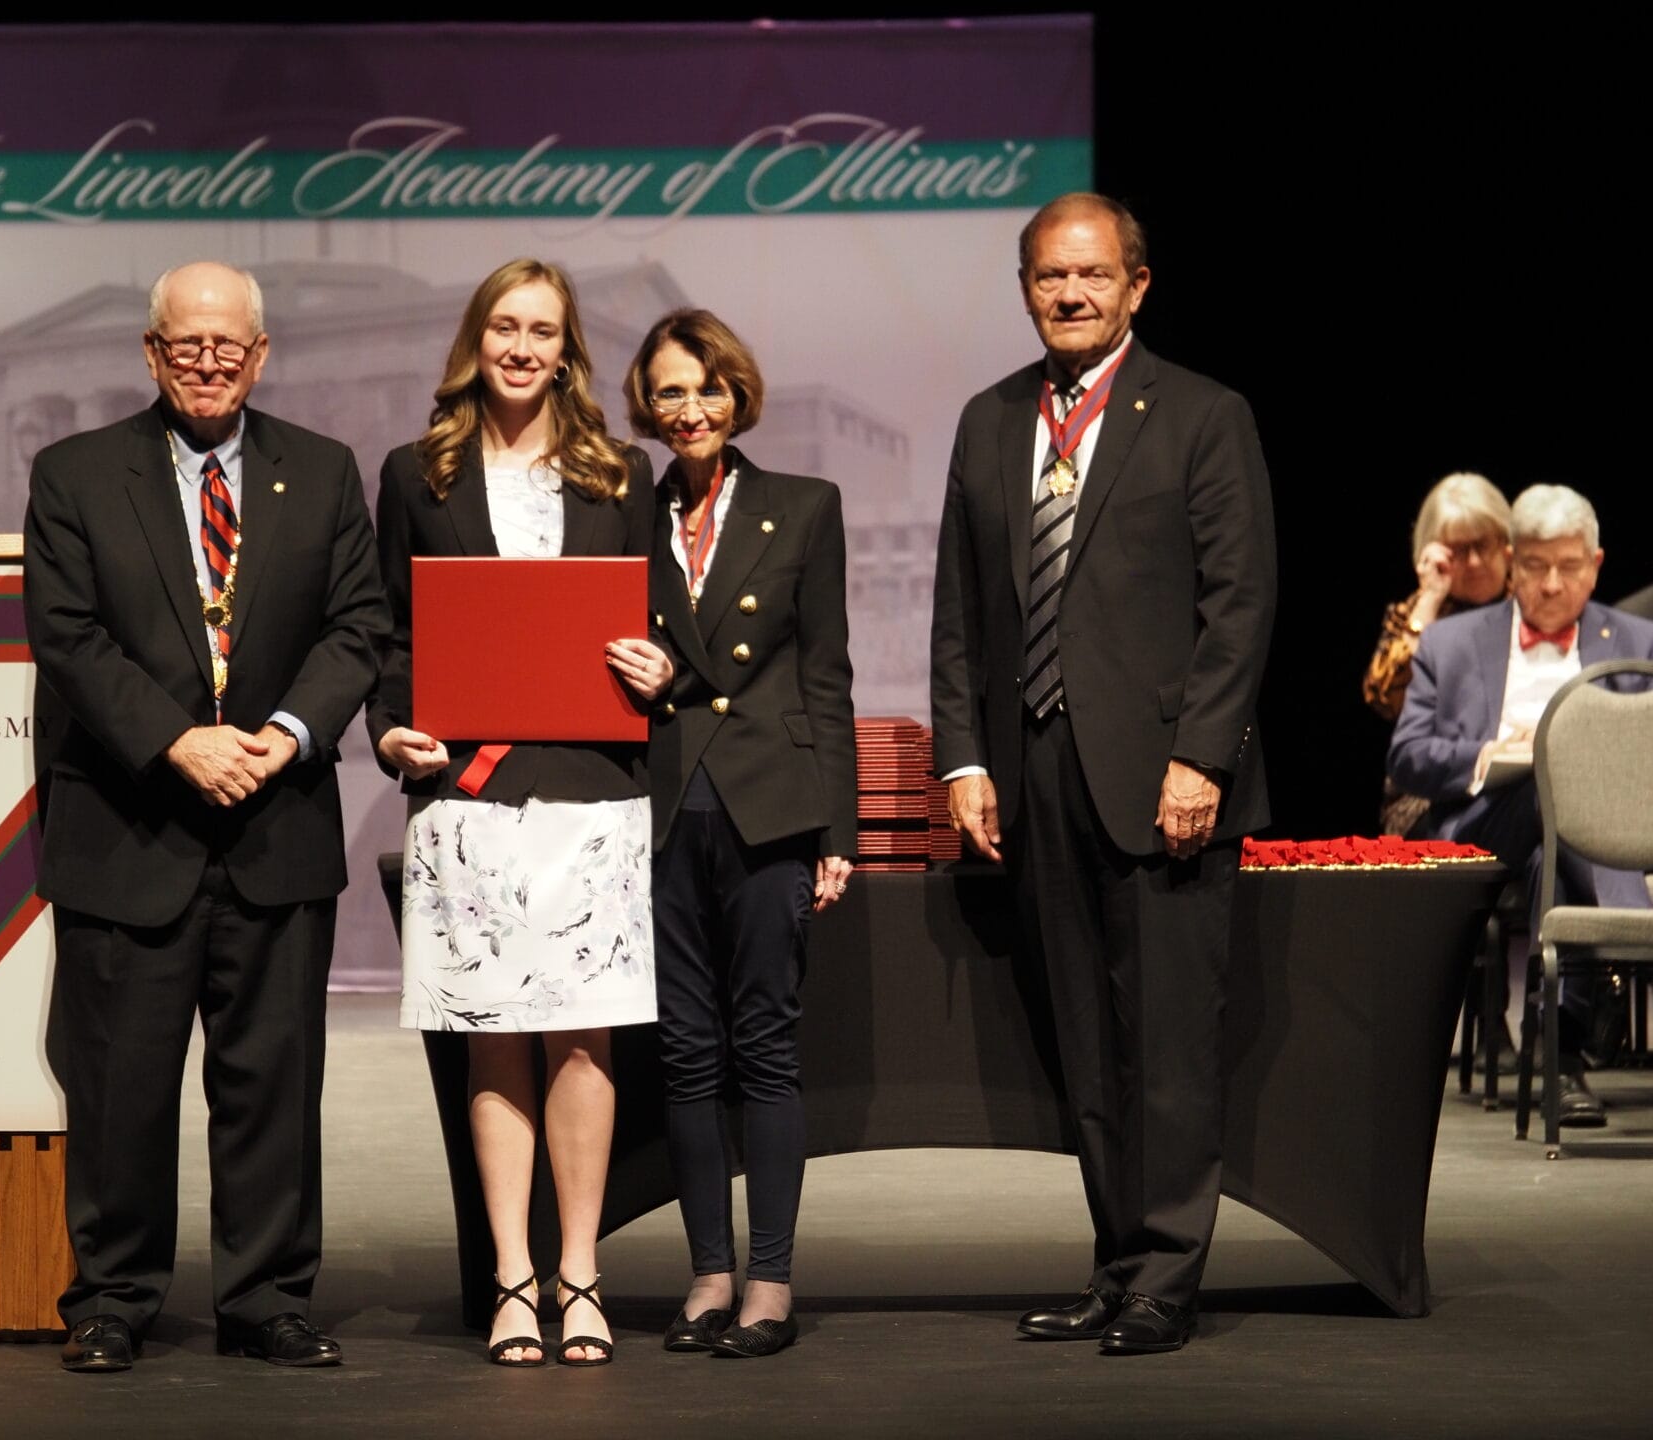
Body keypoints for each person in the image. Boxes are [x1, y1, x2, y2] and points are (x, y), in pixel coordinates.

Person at [24, 261, 388, 1372]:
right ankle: (112, 1300)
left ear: (262, 353)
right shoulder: (76, 472)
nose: (211, 362)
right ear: (152, 352)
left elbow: (358, 628)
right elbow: (69, 636)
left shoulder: (322, 474)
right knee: (121, 1090)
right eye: (188, 346)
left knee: (272, 1089)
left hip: (276, 829)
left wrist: (281, 736)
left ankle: (267, 1300)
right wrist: (177, 741)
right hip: (129, 830)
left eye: (230, 346)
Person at [929, 192, 1277, 1354]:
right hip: (1033, 774)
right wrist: (965, 760)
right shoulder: (987, 424)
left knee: (1167, 1049)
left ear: (1137, 285)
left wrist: (1201, 758)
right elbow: (960, 619)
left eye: (1089, 276)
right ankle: (1115, 1262)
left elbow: (1240, 606)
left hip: (1165, 782)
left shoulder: (1203, 415)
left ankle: (1167, 1280)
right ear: (1024, 289)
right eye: (1046, 278)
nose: (1067, 295)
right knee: (1083, 1047)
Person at [366, 258, 672, 1367]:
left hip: (592, 793)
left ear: (568, 348)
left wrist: (659, 667)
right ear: (476, 337)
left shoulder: (619, 471)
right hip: (470, 796)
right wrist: (392, 730)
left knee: (581, 1038)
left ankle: (581, 1276)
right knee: (493, 1039)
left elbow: (658, 617)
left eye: (544, 329)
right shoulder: (417, 471)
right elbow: (394, 632)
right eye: (506, 324)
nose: (524, 346)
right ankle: (510, 1279)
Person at [625, 310, 856, 1359]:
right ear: (646, 400)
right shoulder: (626, 509)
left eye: (709, 389)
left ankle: (770, 1281)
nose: (691, 410)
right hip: (664, 804)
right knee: (683, 1052)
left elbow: (825, 674)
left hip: (769, 806)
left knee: (763, 1045)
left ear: (739, 394)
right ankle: (707, 1273)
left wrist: (836, 829)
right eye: (671, 391)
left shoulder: (805, 506)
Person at [1388, 483, 1653, 1127]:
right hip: (1482, 830)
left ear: (1596, 565)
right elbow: (1408, 754)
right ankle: (1624, 934)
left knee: (1553, 856)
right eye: (1536, 566)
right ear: (1511, 564)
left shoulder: (1638, 644)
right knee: (1545, 778)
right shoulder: (1452, 643)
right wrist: (1486, 753)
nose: (1553, 583)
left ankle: (1555, 1054)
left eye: (1570, 566)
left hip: (1570, 845)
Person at [1363, 473, 1512, 833]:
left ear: (1507, 544)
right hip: (1431, 793)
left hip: (1515, 777)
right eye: (1459, 550)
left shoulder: (1533, 608)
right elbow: (1386, 700)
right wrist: (1428, 602)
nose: (1474, 562)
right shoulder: (1419, 614)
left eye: (1483, 545)